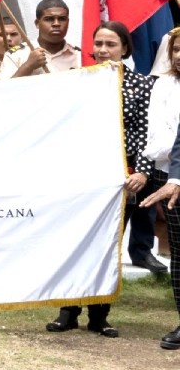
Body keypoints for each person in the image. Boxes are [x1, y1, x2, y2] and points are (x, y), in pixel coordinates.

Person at [47, 22, 153, 338]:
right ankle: (68, 312)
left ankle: (99, 315)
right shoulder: (78, 82)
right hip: (82, 176)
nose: (104, 50)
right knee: (76, 242)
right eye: (99, 43)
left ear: (125, 48)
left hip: (123, 179)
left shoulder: (142, 85)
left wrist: (142, 170)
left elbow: (150, 133)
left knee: (108, 245)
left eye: (111, 44)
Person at [140, 32, 180, 351]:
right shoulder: (163, 86)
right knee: (179, 255)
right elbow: (157, 145)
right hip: (172, 180)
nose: (179, 55)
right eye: (176, 50)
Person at [0, 0, 79, 78]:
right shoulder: (16, 55)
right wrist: (28, 66)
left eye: (62, 19)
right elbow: (3, 89)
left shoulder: (79, 55)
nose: (56, 24)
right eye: (49, 19)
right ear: (37, 23)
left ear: (68, 22)